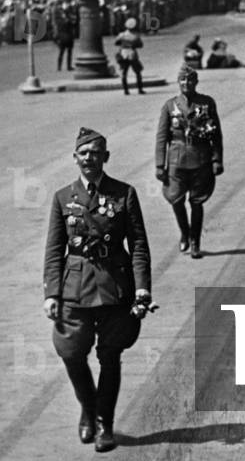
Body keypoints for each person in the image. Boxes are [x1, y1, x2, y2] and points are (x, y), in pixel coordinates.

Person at [43, 127, 154, 452]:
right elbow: (54, 249)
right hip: (74, 288)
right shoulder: (63, 198)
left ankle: (104, 423)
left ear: (106, 157)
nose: (89, 158)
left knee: (110, 355)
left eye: (96, 153)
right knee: (71, 352)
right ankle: (88, 410)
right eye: (84, 153)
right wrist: (51, 293)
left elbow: (138, 246)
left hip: (114, 287)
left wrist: (142, 289)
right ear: (75, 158)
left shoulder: (124, 194)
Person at [155, 65, 223, 259]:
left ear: (196, 82)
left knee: (197, 201)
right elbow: (161, 137)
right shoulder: (170, 106)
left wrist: (217, 159)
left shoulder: (207, 103)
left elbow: (216, 135)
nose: (186, 84)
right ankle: (184, 232)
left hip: (201, 160)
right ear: (178, 83)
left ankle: (195, 241)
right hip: (176, 160)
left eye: (190, 80)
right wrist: (160, 165)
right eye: (183, 80)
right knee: (175, 199)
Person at [114, 17, 145, 95]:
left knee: (124, 72)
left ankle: (126, 90)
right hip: (132, 54)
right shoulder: (136, 36)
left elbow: (116, 42)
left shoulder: (122, 35)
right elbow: (140, 45)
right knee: (138, 71)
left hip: (123, 53)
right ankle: (140, 89)